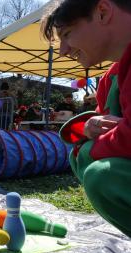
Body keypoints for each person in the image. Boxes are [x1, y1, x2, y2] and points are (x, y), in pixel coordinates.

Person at [42, 0, 131, 238]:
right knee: (82, 158)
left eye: (67, 34)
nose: (63, 50)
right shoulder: (113, 77)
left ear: (102, 12)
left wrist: (89, 149)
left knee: (100, 174)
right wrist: (91, 127)